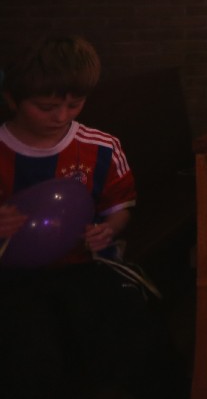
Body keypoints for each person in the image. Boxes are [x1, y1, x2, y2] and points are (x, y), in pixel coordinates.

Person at [0, 35, 177, 399]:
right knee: (28, 349)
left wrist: (108, 229)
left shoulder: (100, 146)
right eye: (46, 107)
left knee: (134, 331)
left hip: (83, 264)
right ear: (12, 99)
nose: (61, 117)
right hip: (13, 274)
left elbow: (120, 208)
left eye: (74, 104)